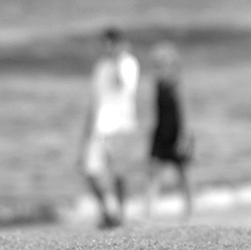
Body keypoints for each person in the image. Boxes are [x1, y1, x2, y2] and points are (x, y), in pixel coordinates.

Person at [79, 27, 140, 228]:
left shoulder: (128, 63)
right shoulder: (100, 65)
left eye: (110, 44)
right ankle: (108, 209)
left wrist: (117, 59)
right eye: (104, 44)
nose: (106, 48)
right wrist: (86, 130)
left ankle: (120, 215)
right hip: (99, 125)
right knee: (90, 171)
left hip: (120, 125)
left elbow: (122, 85)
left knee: (118, 172)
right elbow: (94, 99)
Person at [144, 42, 194, 220]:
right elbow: (157, 111)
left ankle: (189, 209)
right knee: (153, 170)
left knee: (182, 173)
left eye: (162, 64)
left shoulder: (177, 84)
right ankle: (149, 211)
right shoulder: (158, 84)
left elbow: (184, 113)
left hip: (177, 132)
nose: (158, 68)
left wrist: (183, 137)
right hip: (161, 132)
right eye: (156, 64)